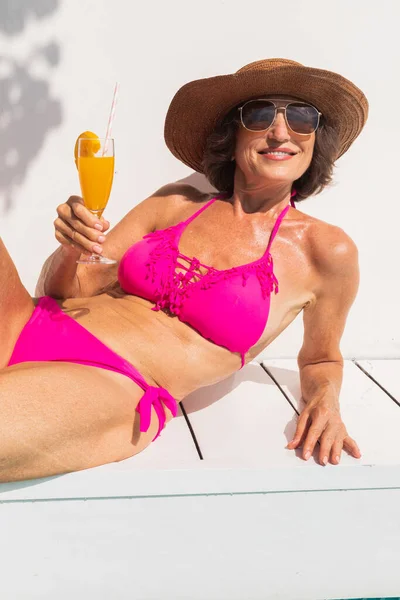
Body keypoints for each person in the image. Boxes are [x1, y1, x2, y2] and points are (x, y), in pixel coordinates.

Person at [1, 58, 368, 483]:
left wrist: (326, 400)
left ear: (315, 140)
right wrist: (70, 247)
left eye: (302, 117)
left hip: (112, 383)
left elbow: (322, 358)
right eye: (261, 114)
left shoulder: (325, 251)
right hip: (28, 320)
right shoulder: (175, 204)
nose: (281, 132)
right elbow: (65, 290)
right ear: (233, 135)